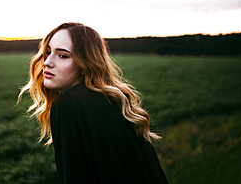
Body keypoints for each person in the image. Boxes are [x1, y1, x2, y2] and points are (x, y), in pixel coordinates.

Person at [19, 22, 168, 184]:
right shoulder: (111, 102)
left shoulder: (69, 103)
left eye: (62, 55)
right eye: (48, 52)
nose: (47, 62)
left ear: (85, 65)